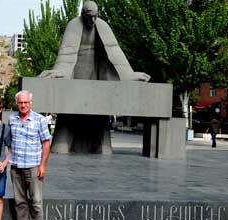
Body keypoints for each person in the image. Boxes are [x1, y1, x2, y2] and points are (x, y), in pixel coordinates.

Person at [37, 1, 150, 154]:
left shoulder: (102, 26)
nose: (93, 21)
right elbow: (66, 52)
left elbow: (114, 51)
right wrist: (59, 71)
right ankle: (65, 141)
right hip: (75, 75)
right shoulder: (73, 25)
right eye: (89, 17)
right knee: (65, 133)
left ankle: (99, 143)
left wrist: (129, 75)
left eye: (95, 17)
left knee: (100, 128)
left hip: (97, 77)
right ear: (83, 14)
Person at [8, 90, 51, 220]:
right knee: (20, 201)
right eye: (20, 102)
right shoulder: (12, 119)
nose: (23, 105)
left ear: (30, 103)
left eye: (26, 102)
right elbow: (9, 142)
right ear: (17, 104)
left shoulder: (40, 120)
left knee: (36, 201)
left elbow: (46, 143)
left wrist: (43, 165)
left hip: (33, 166)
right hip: (16, 166)